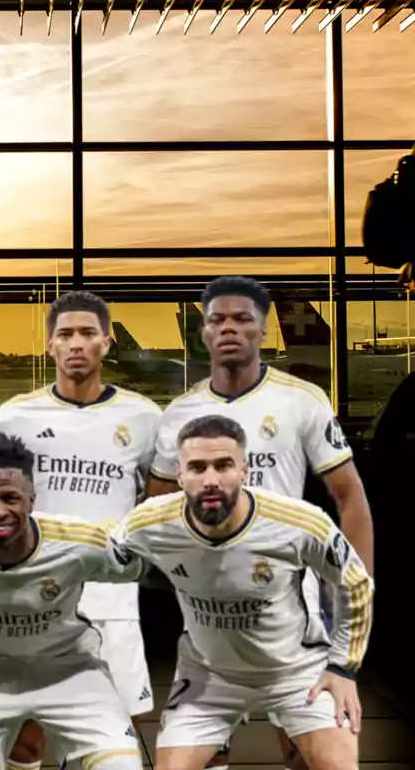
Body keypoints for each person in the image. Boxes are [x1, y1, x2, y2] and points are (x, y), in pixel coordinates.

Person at [145, 276, 375, 770]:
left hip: (287, 605)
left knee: (302, 748)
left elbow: (349, 495)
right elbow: (155, 508)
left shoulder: (301, 400)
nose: (229, 328)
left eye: (242, 319)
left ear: (263, 331)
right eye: (217, 320)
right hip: (211, 609)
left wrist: (356, 585)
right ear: (203, 334)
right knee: (202, 748)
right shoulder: (180, 413)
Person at [111, 414, 374, 770]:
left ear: (245, 470)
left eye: (223, 466)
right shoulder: (148, 523)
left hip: (296, 672)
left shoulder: (297, 522)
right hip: (209, 676)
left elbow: (356, 583)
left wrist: (344, 667)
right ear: (179, 475)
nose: (211, 480)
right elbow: (94, 558)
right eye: (198, 468)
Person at [0, 291, 161, 768]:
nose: (76, 344)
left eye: (87, 333)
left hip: (111, 603)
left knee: (107, 736)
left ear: (106, 343)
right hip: (34, 599)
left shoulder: (144, 417)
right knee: (26, 738)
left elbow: (158, 504)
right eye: (65, 334)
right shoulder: (14, 416)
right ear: (49, 344)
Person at [0, 433, 145, 770]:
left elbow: (149, 566)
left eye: (10, 498)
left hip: (70, 669)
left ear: (32, 499)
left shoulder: (81, 543)